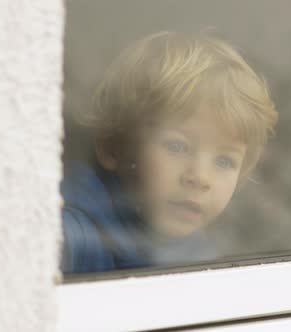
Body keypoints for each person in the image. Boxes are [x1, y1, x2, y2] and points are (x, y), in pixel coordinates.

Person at [61, 31, 278, 273]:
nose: (200, 178)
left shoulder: (205, 255)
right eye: (177, 147)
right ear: (113, 147)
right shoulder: (71, 236)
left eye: (225, 161)